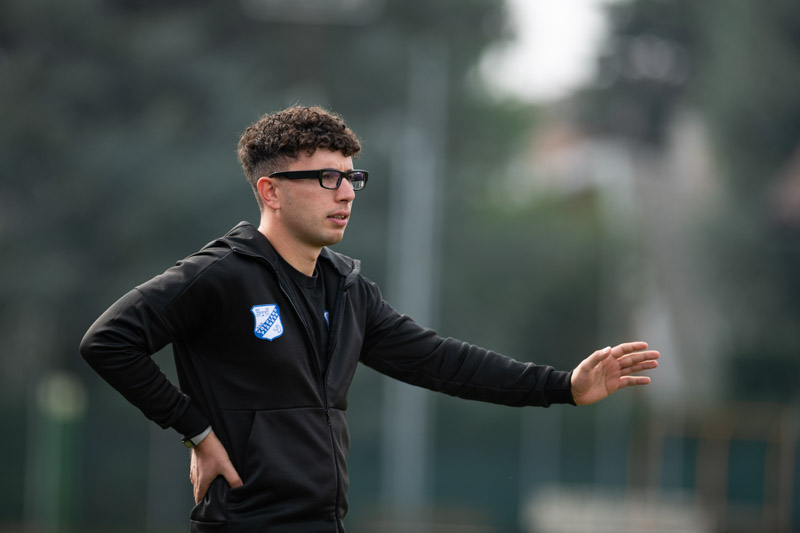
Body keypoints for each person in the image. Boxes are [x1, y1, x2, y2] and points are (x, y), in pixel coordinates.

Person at [80, 105, 659, 532]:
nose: (347, 194)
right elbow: (108, 341)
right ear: (271, 191)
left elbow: (439, 361)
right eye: (326, 178)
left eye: (351, 177)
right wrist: (197, 430)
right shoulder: (220, 275)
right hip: (243, 524)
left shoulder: (347, 289)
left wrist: (562, 386)